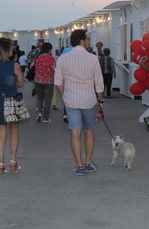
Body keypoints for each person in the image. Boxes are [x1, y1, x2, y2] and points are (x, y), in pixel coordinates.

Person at [54, 29, 105, 176]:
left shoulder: (63, 59)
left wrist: (65, 95)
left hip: (71, 101)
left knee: (75, 133)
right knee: (89, 131)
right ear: (82, 41)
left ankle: (79, 166)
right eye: (88, 39)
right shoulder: (93, 58)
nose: (89, 42)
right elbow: (99, 83)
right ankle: (88, 163)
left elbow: (57, 82)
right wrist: (100, 100)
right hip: (89, 100)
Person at [0, 37, 25, 175]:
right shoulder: (14, 65)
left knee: (0, 134)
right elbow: (21, 83)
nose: (12, 49)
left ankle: (0, 165)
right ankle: (13, 163)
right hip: (12, 100)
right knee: (14, 132)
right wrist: (12, 84)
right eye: (10, 47)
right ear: (6, 49)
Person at [33, 42, 56, 123]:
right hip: (48, 81)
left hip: (38, 80)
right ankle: (46, 117)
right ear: (49, 49)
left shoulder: (38, 57)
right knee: (47, 99)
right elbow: (54, 69)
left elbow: (34, 67)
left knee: (40, 98)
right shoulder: (51, 58)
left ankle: (39, 113)